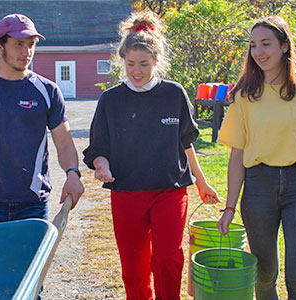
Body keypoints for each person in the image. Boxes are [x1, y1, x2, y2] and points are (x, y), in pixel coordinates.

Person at [83, 10, 220, 300]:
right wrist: (101, 166)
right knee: (134, 268)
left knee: (167, 260)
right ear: (122, 61)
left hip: (169, 192)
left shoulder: (174, 94)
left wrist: (202, 182)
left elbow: (186, 143)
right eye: (130, 63)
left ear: (156, 62)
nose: (136, 70)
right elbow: (98, 148)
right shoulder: (111, 100)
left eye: (144, 64)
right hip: (127, 193)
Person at [216, 15, 296, 300]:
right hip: (259, 187)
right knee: (264, 275)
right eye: (253, 45)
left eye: (266, 44)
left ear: (285, 46)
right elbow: (237, 156)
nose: (258, 52)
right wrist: (229, 208)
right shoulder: (245, 95)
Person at [0, 13, 84, 228]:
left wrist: (72, 173)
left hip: (32, 204)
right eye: (18, 44)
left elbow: (65, 142)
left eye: (31, 44)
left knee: (31, 263)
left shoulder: (47, 91)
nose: (27, 52)